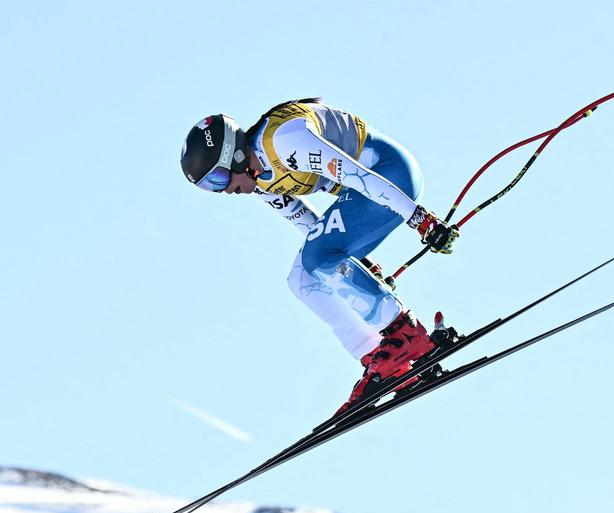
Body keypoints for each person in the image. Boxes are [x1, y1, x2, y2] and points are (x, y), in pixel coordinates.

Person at [180, 99, 460, 413]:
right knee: (302, 277)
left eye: (219, 179)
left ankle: (405, 337)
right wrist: (353, 265)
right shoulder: (259, 181)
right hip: (366, 195)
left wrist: (420, 219)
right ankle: (383, 360)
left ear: (237, 155)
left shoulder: (285, 142)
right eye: (211, 188)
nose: (224, 191)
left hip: (389, 177)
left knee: (317, 257)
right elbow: (305, 222)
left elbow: (358, 176)